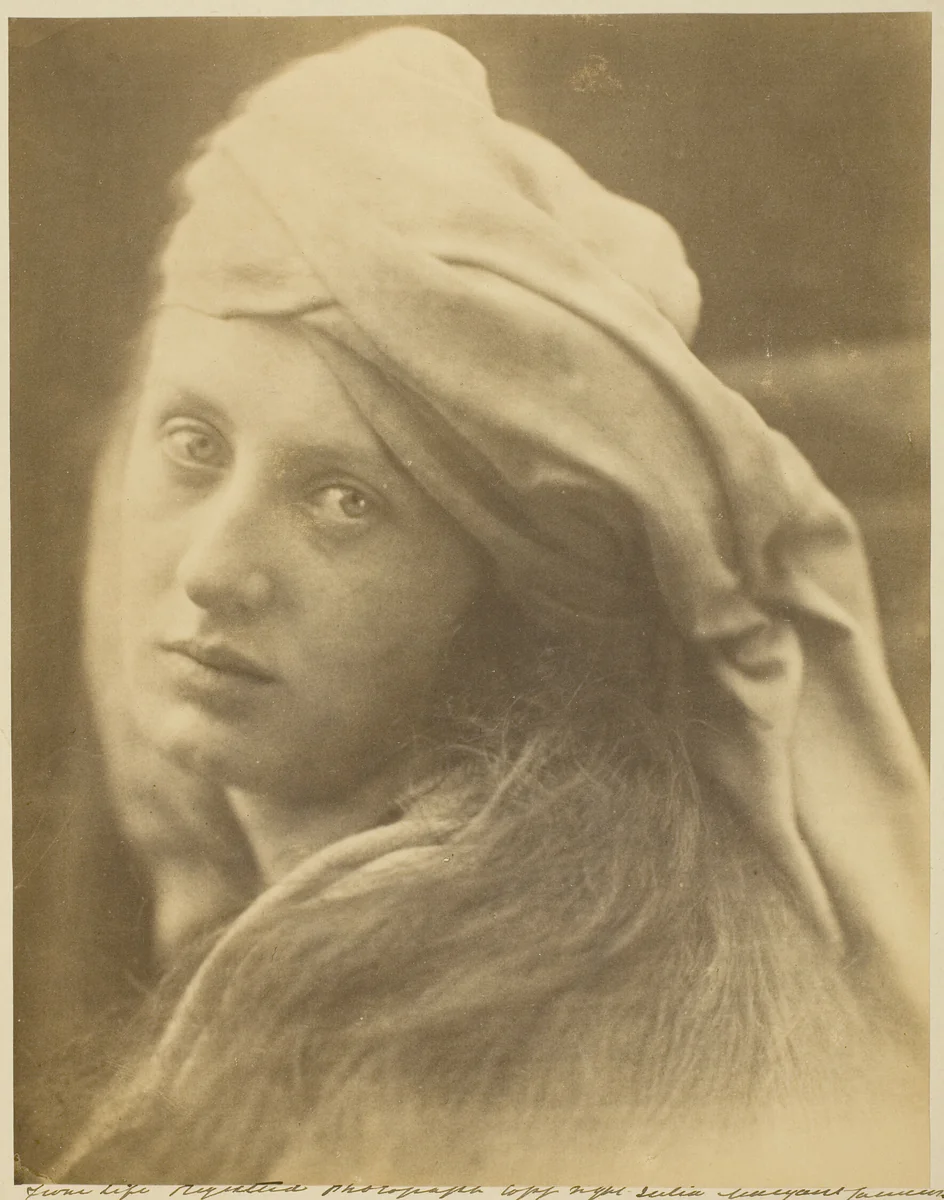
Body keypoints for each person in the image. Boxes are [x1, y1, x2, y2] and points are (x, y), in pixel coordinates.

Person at [18, 25, 928, 1184]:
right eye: (194, 443)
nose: (211, 567)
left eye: (343, 500)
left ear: (500, 585)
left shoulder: (456, 1003)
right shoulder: (323, 880)